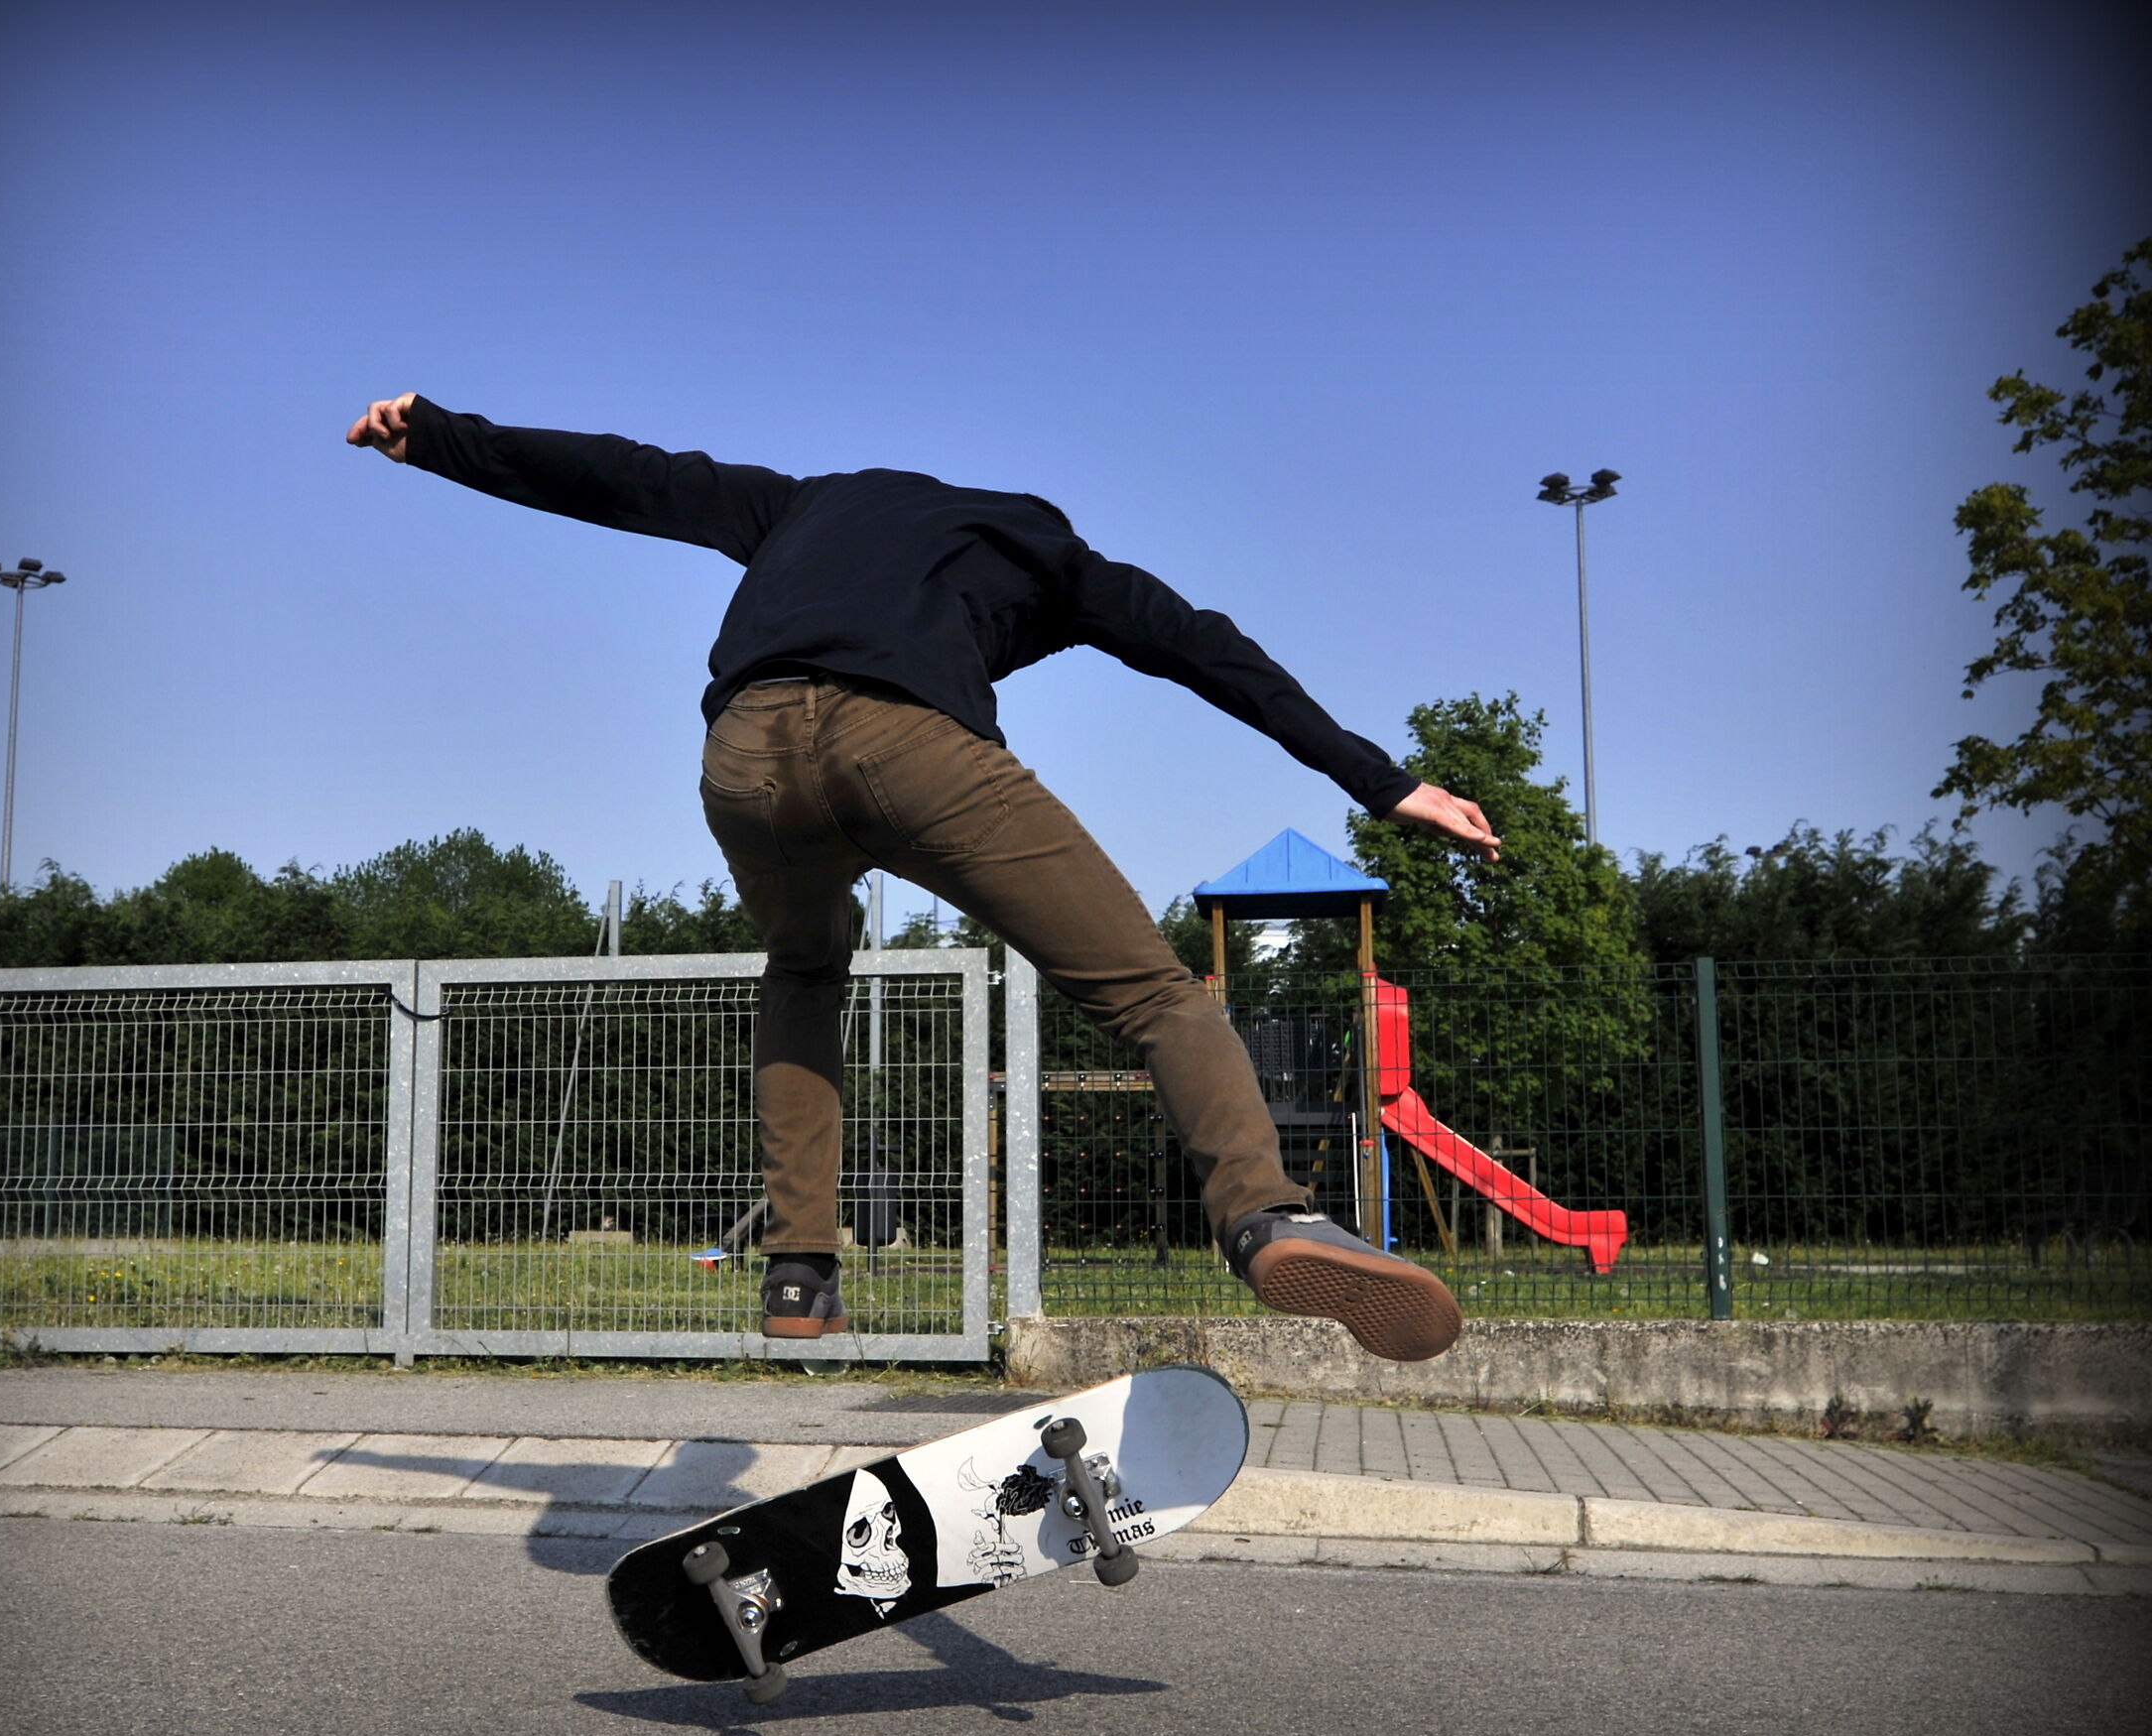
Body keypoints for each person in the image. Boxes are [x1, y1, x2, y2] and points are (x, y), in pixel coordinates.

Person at [347, 393, 1496, 1360]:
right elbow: (1207, 648)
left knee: (803, 965)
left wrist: (436, 436)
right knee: (1154, 995)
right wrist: (1382, 781)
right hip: (913, 751)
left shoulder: (803, 502)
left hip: (741, 752)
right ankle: (1263, 1213)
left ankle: (799, 1268)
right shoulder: (1055, 553)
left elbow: (626, 477)